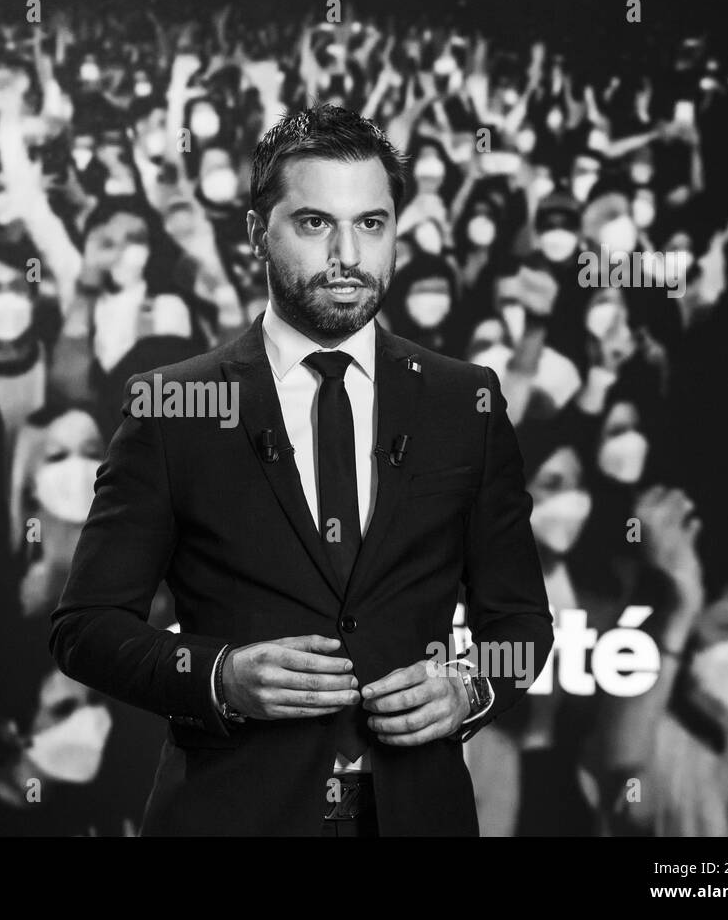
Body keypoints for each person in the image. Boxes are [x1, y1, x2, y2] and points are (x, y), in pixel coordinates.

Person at [51, 104, 554, 836]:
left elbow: (521, 622)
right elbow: (86, 628)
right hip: (229, 813)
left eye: (372, 224)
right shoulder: (174, 406)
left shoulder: (465, 401)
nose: (348, 254)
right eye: (316, 223)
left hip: (417, 814)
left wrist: (472, 688)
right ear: (258, 232)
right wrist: (218, 676)